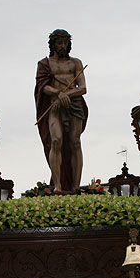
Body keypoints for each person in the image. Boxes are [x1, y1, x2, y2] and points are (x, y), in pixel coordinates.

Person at [35, 29, 88, 194]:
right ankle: (57, 186)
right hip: (55, 106)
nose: (63, 46)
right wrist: (58, 94)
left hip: (75, 105)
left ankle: (77, 187)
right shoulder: (44, 64)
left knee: (75, 141)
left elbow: (83, 88)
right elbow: (42, 87)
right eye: (59, 43)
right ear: (53, 44)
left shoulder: (76, 63)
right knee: (56, 140)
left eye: (65, 43)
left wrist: (67, 94)